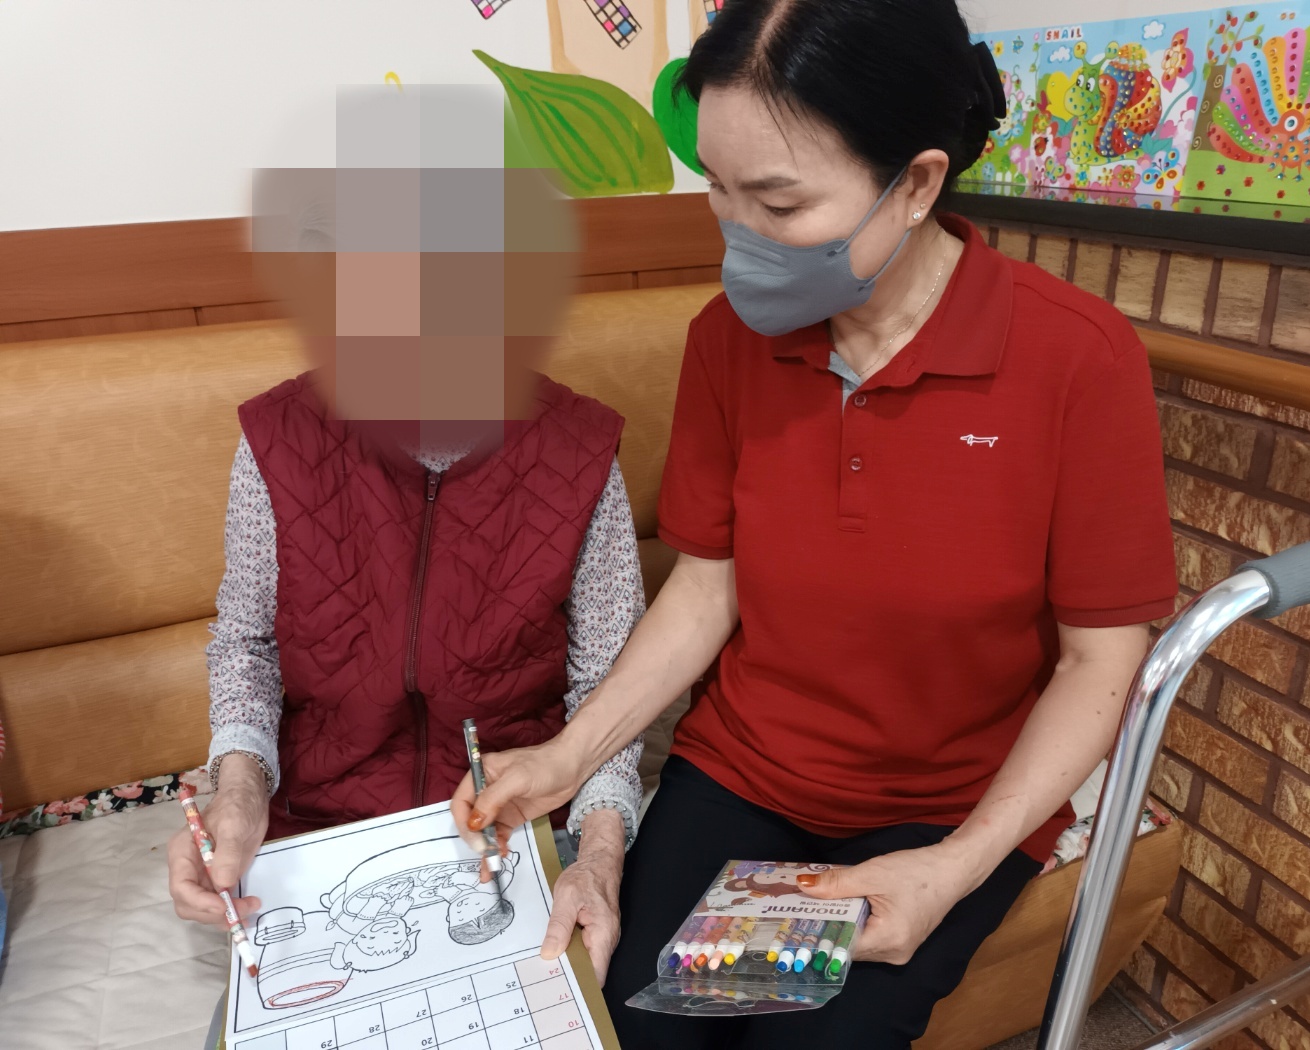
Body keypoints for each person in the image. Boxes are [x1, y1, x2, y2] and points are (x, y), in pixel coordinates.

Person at [460, 2, 1178, 1047]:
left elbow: (1100, 660)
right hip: (743, 772)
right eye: (719, 188)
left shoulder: (1078, 359)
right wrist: (569, 758)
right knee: (630, 1023)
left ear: (916, 184)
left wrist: (954, 866)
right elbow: (707, 587)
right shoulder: (728, 343)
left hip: (945, 804)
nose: (737, 231)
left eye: (778, 201)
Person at [164, 87, 645, 1046]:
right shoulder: (278, 440)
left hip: (513, 834)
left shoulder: (581, 451)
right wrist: (240, 793)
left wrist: (598, 853)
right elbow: (247, 648)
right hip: (323, 837)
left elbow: (613, 691)